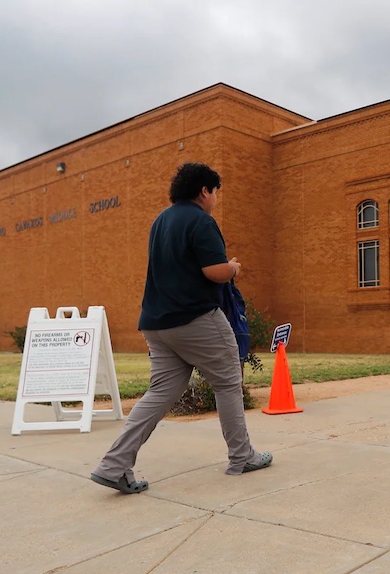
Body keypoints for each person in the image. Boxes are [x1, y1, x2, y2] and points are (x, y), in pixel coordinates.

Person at [90, 163, 272, 494]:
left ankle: (113, 465)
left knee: (160, 392)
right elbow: (213, 271)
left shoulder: (162, 220)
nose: (216, 198)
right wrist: (232, 268)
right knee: (229, 382)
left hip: (156, 324)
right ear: (205, 190)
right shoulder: (201, 220)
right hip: (195, 318)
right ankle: (242, 457)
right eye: (216, 192)